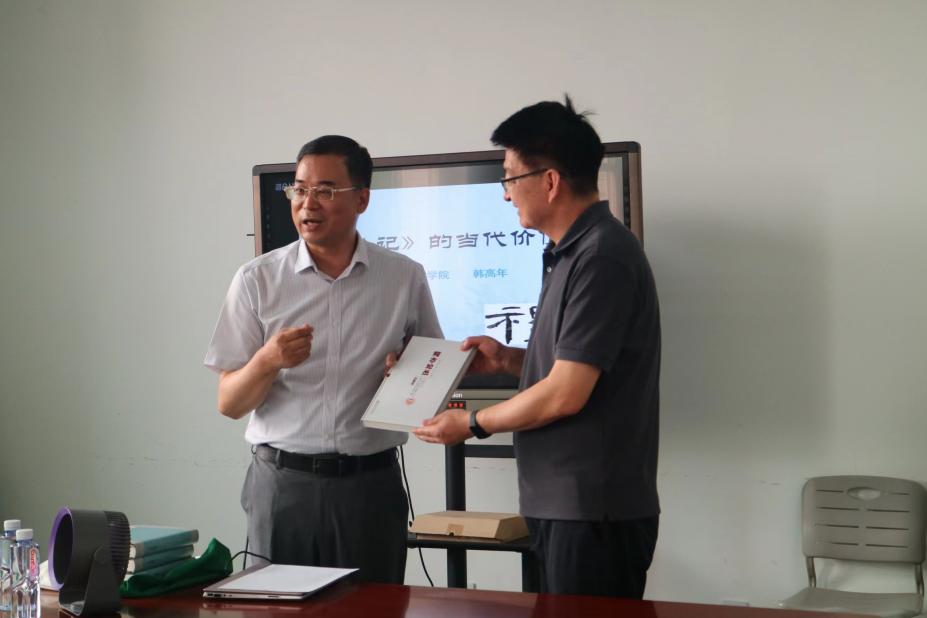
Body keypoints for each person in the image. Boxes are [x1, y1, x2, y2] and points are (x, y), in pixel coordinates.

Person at [413, 97, 661, 598]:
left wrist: (473, 423)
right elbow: (580, 368)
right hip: (565, 503)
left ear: (549, 181)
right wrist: (508, 360)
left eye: (510, 177)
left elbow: (566, 393)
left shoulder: (602, 256)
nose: (505, 194)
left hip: (592, 507)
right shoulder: (570, 252)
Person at [205, 135, 442, 583]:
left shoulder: (403, 278)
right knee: (275, 608)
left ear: (362, 199)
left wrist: (406, 377)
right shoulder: (257, 280)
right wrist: (267, 360)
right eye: (299, 189)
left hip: (370, 486)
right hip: (283, 485)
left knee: (371, 609)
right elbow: (229, 404)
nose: (307, 203)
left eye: (325, 191)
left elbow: (432, 374)